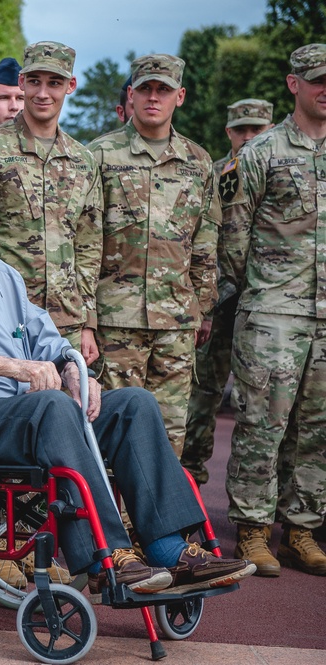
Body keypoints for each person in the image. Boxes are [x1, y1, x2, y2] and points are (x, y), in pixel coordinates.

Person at [0, 178, 256, 597]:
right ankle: (106, 557)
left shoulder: (5, 276)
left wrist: (77, 373)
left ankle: (170, 547)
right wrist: (15, 368)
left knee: (133, 403)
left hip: (31, 416)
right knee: (52, 406)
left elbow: (48, 340)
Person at [220, 44, 326, 578]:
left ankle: (302, 529)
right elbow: (235, 234)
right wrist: (260, 292)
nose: (325, 89)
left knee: (318, 428)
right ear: (294, 84)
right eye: (317, 80)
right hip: (273, 313)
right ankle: (254, 530)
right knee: (263, 425)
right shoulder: (261, 152)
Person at [87, 54, 219, 459]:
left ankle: (155, 521)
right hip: (115, 320)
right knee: (111, 427)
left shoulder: (198, 162)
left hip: (176, 323)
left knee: (169, 430)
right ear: (131, 94)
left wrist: (203, 307)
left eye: (163, 90)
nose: (153, 97)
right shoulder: (100, 155)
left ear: (179, 96)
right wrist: (87, 318)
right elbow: (85, 241)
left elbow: (206, 242)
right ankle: (112, 521)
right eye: (145, 88)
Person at [0, 41, 102, 362]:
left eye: (55, 82)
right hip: (1, 314)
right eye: (34, 81)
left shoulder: (83, 160)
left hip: (66, 320)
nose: (43, 93)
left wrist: (88, 321)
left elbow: (89, 244)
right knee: (6, 408)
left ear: (70, 86)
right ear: (22, 82)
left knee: (70, 408)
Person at [181, 98, 274, 487]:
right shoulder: (213, 172)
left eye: (257, 129)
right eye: (242, 130)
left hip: (269, 301)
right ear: (229, 132)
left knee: (265, 402)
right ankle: (190, 481)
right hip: (219, 299)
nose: (249, 137)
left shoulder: (283, 168)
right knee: (202, 394)